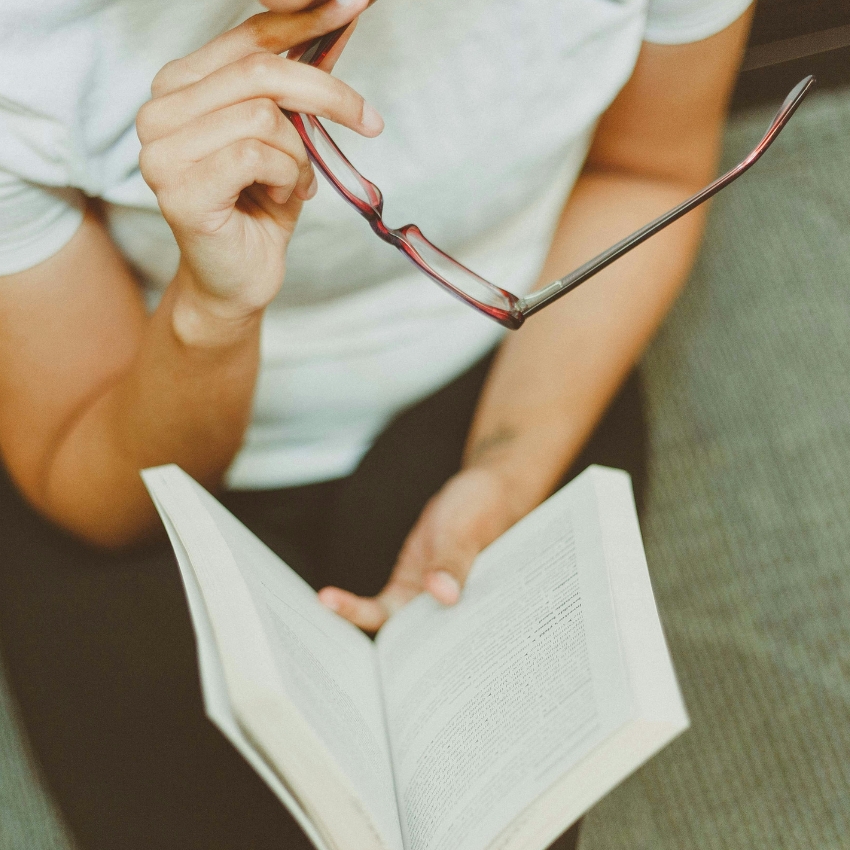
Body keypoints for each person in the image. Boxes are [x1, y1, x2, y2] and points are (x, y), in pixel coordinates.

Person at [0, 0, 753, 847]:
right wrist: (211, 314)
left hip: (511, 369)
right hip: (143, 403)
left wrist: (508, 467)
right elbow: (88, 477)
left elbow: (647, 172)